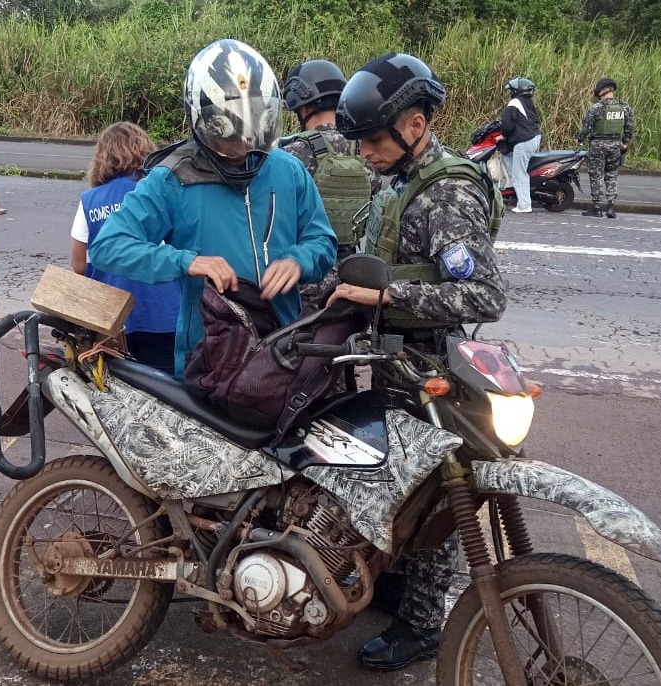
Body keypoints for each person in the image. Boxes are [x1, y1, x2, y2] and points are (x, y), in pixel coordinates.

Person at [330, 53, 507, 671]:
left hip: (433, 367)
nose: (365, 154)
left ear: (414, 125)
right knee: (390, 486)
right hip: (395, 360)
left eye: (374, 141)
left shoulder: (446, 194)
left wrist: (386, 297)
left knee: (437, 500)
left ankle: (424, 626)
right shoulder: (399, 179)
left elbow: (484, 295)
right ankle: (396, 586)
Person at [88, 39, 336, 380]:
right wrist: (186, 262)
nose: (244, 143)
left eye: (253, 126)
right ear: (203, 123)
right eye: (229, 132)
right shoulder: (172, 179)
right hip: (210, 359)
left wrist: (299, 260)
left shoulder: (288, 170)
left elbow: (323, 242)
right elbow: (107, 247)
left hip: (284, 350)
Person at [70, 122, 181, 375]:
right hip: (164, 313)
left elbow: (79, 265)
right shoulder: (158, 191)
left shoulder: (90, 200)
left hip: (113, 319)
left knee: (121, 388)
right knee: (168, 390)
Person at [280, 59, 381, 309]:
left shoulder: (293, 153)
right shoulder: (366, 150)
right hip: (354, 278)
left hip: (306, 280)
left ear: (303, 107)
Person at [577, 77, 635, 218]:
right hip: (615, 145)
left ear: (602, 91)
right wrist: (625, 143)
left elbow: (587, 127)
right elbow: (629, 127)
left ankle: (597, 208)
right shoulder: (624, 107)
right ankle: (611, 207)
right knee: (612, 174)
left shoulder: (596, 108)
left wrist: (580, 138)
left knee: (596, 175)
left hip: (598, 145)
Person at [499, 77, 542, 213]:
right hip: (533, 137)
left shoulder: (514, 102)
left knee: (519, 173)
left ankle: (524, 205)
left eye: (512, 90)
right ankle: (516, 190)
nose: (511, 92)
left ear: (517, 91)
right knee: (507, 157)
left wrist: (502, 135)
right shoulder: (528, 102)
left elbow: (507, 125)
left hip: (524, 141)